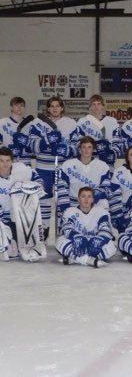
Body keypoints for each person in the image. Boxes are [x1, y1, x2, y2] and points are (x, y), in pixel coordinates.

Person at [28, 96, 78, 239]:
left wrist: (66, 150)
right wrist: (47, 140)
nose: (55, 108)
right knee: (43, 199)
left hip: (62, 168)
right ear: (48, 108)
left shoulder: (71, 123)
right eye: (52, 106)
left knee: (63, 199)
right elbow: (32, 146)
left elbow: (77, 147)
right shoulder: (37, 123)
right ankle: (43, 229)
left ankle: (64, 229)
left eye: (58, 106)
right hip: (43, 168)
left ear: (62, 108)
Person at [0, 147, 44, 261]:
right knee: (8, 250)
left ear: (12, 161)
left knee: (16, 251)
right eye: (1, 160)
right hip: (1, 219)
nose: (5, 164)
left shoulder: (20, 169)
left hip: (17, 219)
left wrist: (30, 189)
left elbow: (39, 181)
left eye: (7, 160)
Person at [56, 186, 116, 268]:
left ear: (93, 199)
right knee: (60, 241)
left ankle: (75, 258)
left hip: (94, 242)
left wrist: (99, 239)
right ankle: (89, 260)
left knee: (111, 246)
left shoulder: (101, 212)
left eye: (89, 196)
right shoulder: (70, 211)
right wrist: (76, 237)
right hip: (77, 242)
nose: (86, 199)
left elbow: (105, 229)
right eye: (83, 196)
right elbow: (67, 229)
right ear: (78, 199)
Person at [57, 137, 111, 217]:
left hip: (93, 203)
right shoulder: (68, 165)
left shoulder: (103, 166)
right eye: (84, 147)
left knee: (104, 203)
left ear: (93, 149)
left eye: (89, 147)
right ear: (80, 149)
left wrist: (91, 198)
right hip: (73, 204)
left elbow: (106, 188)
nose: (86, 150)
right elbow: (62, 189)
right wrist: (66, 209)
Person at [77, 94, 121, 167]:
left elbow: (117, 143)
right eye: (93, 104)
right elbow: (78, 143)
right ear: (90, 107)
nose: (96, 107)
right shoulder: (82, 122)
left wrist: (112, 154)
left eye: (99, 104)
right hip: (88, 162)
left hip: (107, 162)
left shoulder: (112, 121)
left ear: (103, 106)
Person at [0, 96, 32, 165]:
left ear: (24, 108)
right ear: (11, 107)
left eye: (22, 105)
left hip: (25, 163)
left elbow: (34, 147)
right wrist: (7, 151)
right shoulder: (2, 123)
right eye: (16, 105)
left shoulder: (30, 125)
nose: (19, 107)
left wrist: (25, 143)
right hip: (7, 163)